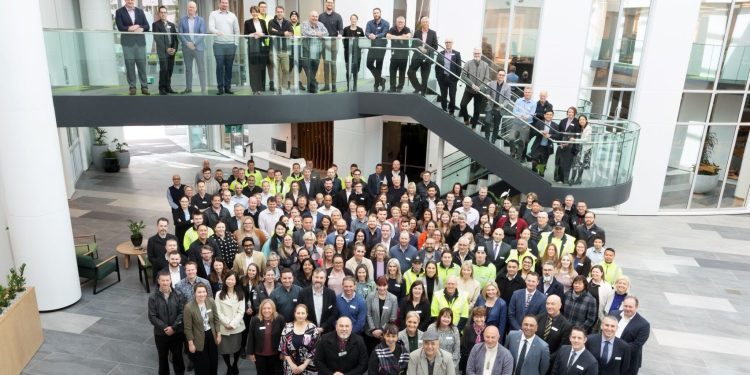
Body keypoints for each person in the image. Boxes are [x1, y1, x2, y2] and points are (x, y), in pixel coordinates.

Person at [148, 271, 186, 375]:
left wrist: (173, 328)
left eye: (167, 280)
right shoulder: (152, 297)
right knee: (162, 357)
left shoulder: (178, 294)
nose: (165, 283)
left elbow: (182, 313)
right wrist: (165, 328)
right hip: (161, 334)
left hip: (177, 332)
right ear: (158, 281)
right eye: (163, 280)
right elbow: (152, 316)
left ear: (170, 281)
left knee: (178, 356)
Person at [184, 283, 221, 375]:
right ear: (194, 293)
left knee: (213, 361)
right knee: (202, 364)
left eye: (204, 292)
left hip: (211, 335)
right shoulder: (189, 307)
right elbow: (188, 328)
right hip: (198, 337)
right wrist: (191, 343)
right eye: (199, 292)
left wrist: (218, 334)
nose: (202, 294)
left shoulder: (211, 301)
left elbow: (216, 319)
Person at [115, 0, 150, 96]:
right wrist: (130, 28)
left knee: (142, 65)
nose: (131, 1)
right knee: (129, 65)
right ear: (125, 0)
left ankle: (144, 87)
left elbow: (147, 26)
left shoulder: (140, 11)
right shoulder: (119, 12)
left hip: (140, 43)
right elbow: (120, 27)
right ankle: (132, 87)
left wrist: (140, 27)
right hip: (127, 43)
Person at [215, 271, 245, 374]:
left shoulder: (240, 294)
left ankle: (235, 364)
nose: (230, 281)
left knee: (237, 348)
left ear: (236, 281)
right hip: (224, 327)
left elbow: (241, 311)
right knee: (224, 350)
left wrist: (232, 324)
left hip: (236, 326)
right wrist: (226, 323)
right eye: (228, 279)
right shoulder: (219, 294)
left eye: (233, 279)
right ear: (225, 280)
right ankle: (228, 366)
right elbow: (217, 311)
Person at [209, 0, 240, 95]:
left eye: (226, 3)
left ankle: (227, 87)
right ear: (219, 4)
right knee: (219, 66)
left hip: (231, 45)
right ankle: (220, 88)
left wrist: (235, 44)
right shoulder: (213, 14)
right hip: (218, 45)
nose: (224, 4)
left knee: (229, 67)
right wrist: (217, 32)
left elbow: (237, 30)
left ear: (228, 4)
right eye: (223, 2)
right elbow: (211, 28)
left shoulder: (232, 15)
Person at [247, 299, 285, 375]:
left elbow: (283, 337)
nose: (266, 310)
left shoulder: (280, 319)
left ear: (273, 309)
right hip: (259, 354)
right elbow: (251, 337)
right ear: (261, 309)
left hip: (275, 354)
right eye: (264, 308)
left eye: (269, 308)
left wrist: (283, 353)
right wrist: (250, 353)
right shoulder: (255, 319)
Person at [280, 304, 320, 375]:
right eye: (298, 313)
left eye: (303, 313)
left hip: (308, 366)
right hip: (290, 367)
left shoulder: (312, 328)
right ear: (295, 314)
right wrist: (292, 365)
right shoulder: (288, 327)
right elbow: (283, 348)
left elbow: (315, 349)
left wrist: (304, 365)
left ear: (306, 314)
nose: (300, 315)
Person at [616, 296, 650, 375]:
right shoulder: (614, 314)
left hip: (629, 361)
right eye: (625, 306)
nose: (627, 309)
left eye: (630, 307)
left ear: (636, 307)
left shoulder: (644, 324)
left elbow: (637, 344)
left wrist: (616, 349)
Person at [535, 295, 572, 368]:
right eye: (547, 303)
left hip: (550, 363)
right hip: (534, 357)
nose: (549, 306)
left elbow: (562, 348)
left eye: (552, 304)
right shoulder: (538, 318)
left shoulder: (566, 325)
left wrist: (546, 358)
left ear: (560, 305)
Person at [298, 268, 338, 334]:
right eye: (316, 277)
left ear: (325, 279)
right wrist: (312, 327)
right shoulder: (303, 293)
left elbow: (334, 314)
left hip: (327, 332)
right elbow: (300, 313)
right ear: (312, 277)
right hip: (308, 331)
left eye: (321, 278)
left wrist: (323, 327)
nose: (318, 280)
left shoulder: (331, 294)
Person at [178, 1, 207, 94]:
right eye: (190, 7)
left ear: (196, 9)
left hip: (198, 48)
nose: (191, 9)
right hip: (187, 48)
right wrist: (187, 43)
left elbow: (202, 34)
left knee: (201, 68)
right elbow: (180, 33)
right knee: (188, 69)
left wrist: (194, 43)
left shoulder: (201, 20)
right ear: (187, 8)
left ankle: (203, 88)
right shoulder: (182, 20)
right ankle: (188, 88)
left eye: (193, 7)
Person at [459, 48, 490, 128]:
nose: (477, 55)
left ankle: (474, 126)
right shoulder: (468, 63)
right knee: (462, 105)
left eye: (478, 53)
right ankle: (466, 119)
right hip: (469, 89)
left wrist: (480, 87)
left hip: (480, 91)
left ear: (481, 54)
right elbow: (463, 75)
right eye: (475, 53)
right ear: (473, 54)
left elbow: (486, 79)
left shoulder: (485, 65)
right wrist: (472, 84)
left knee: (477, 110)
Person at [365, 276, 399, 350]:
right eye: (379, 285)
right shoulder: (370, 296)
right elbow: (368, 314)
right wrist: (373, 330)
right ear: (376, 285)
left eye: (384, 285)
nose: (382, 288)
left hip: (386, 334)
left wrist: (381, 330)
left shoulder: (393, 298)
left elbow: (393, 318)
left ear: (388, 285)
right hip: (371, 334)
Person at [408, 16, 438, 95]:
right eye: (423, 22)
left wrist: (427, 50)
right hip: (417, 56)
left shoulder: (433, 33)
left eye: (426, 22)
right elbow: (413, 44)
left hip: (427, 57)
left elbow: (435, 47)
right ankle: (418, 87)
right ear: (421, 23)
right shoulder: (417, 32)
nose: (424, 23)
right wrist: (419, 48)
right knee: (410, 72)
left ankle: (423, 92)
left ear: (428, 23)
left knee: (425, 77)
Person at [153, 6, 179, 95]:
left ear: (167, 13)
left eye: (165, 12)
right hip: (163, 51)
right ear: (159, 14)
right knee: (164, 69)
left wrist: (174, 49)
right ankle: (161, 88)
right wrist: (166, 48)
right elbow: (157, 39)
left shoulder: (171, 25)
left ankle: (168, 87)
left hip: (172, 51)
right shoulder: (156, 25)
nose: (163, 14)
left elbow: (175, 38)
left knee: (170, 69)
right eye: (161, 12)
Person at [318, 0, 343, 92]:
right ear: (326, 4)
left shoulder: (338, 16)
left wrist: (340, 34)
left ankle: (334, 86)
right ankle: (326, 85)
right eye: (328, 2)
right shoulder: (321, 16)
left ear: (333, 4)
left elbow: (341, 29)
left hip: (333, 42)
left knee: (333, 64)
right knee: (325, 64)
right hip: (323, 42)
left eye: (331, 3)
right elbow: (318, 27)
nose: (329, 4)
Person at [268, 5, 293, 93]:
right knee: (276, 70)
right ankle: (278, 88)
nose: (279, 13)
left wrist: (277, 32)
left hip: (284, 50)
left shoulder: (288, 23)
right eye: (278, 12)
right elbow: (271, 32)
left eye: (281, 12)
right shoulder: (271, 22)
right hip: (274, 51)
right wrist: (283, 33)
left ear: (283, 13)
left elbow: (291, 33)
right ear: (276, 13)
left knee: (286, 69)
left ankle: (284, 87)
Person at [301, 11, 329, 93]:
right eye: (313, 16)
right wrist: (316, 33)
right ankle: (315, 83)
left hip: (317, 50)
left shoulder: (320, 24)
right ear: (309, 17)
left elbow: (326, 33)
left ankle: (311, 87)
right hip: (306, 50)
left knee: (314, 68)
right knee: (307, 68)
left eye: (316, 16)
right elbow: (304, 33)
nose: (315, 18)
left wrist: (317, 34)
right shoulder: (305, 23)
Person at [244, 6, 269, 95]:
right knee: (253, 68)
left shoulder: (262, 22)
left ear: (259, 13)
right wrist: (254, 34)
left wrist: (261, 34)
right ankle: (254, 88)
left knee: (261, 67)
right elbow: (245, 35)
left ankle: (260, 88)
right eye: (253, 12)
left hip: (261, 47)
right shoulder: (247, 22)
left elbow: (266, 33)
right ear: (251, 13)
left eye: (256, 12)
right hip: (252, 47)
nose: (255, 13)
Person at [483, 68, 512, 143]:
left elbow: (507, 99)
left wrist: (503, 105)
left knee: (496, 125)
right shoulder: (491, 83)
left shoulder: (507, 87)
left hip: (499, 108)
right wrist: (487, 95)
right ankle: (487, 136)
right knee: (487, 121)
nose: (501, 76)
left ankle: (493, 139)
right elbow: (487, 92)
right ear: (497, 75)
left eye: (502, 75)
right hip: (491, 106)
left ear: (504, 76)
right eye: (500, 74)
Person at [365, 8, 390, 92]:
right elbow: (366, 32)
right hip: (372, 47)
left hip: (381, 47)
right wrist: (369, 35)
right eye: (374, 13)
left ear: (380, 13)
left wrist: (375, 36)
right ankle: (381, 80)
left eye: (377, 13)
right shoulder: (369, 23)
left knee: (379, 66)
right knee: (369, 64)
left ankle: (376, 85)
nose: (375, 14)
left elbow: (384, 33)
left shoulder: (386, 23)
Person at [554, 107, 581, 183]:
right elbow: (558, 132)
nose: (570, 113)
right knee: (558, 161)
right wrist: (559, 143)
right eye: (569, 112)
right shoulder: (563, 121)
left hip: (570, 146)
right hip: (561, 145)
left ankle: (564, 179)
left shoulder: (576, 122)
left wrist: (569, 142)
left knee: (566, 163)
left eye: (572, 112)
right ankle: (557, 178)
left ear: (574, 113)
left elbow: (577, 135)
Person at [385, 16, 411, 92]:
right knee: (392, 71)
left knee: (402, 72)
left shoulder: (407, 29)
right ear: (396, 22)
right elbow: (387, 36)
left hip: (404, 55)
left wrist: (394, 37)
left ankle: (400, 87)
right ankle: (392, 87)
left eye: (402, 22)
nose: (400, 23)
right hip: (394, 55)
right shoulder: (393, 29)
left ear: (404, 23)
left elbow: (408, 36)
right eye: (399, 22)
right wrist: (400, 37)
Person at [436, 39, 461, 115]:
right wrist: (438, 77)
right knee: (443, 95)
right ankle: (444, 109)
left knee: (452, 95)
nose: (448, 44)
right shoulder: (440, 53)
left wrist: (456, 78)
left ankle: (451, 111)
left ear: (452, 43)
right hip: (442, 78)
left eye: (449, 42)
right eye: (446, 42)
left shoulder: (456, 54)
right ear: (445, 44)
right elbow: (437, 66)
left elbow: (459, 67)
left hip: (452, 78)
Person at [529, 110, 558, 176]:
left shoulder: (555, 125)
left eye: (550, 115)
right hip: (537, 146)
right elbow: (533, 132)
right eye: (547, 114)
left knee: (543, 163)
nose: (549, 116)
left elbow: (557, 135)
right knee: (534, 160)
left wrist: (550, 135)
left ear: (552, 116)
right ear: (544, 115)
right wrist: (540, 131)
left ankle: (540, 175)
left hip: (547, 148)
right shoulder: (539, 123)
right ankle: (534, 171)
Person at [510, 86, 536, 160]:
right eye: (526, 92)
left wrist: (526, 117)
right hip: (516, 123)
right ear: (524, 92)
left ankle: (518, 157)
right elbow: (515, 111)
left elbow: (531, 114)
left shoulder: (533, 103)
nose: (527, 94)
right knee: (511, 138)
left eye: (529, 92)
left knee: (522, 142)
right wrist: (521, 115)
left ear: (531, 93)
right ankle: (512, 152)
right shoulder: (518, 100)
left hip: (526, 125)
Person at [459, 306, 487, 374]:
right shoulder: (468, 329)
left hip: (483, 363)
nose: (479, 319)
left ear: (485, 318)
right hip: (468, 362)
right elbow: (463, 347)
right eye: (476, 317)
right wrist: (471, 359)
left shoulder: (488, 330)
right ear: (473, 318)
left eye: (481, 317)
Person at [341, 14, 364, 91]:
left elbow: (362, 41)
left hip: (357, 53)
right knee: (348, 70)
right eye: (352, 19)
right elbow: (343, 39)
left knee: (355, 69)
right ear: (350, 20)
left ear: (357, 20)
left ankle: (355, 85)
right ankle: (348, 85)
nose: (353, 20)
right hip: (348, 53)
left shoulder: (360, 30)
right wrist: (345, 46)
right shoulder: (346, 29)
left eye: (355, 19)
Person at [569, 115, 591, 185]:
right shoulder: (581, 128)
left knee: (581, 165)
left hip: (585, 149)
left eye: (583, 119)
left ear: (586, 120)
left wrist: (575, 140)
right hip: (579, 148)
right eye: (580, 120)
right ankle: (573, 178)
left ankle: (578, 179)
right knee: (575, 164)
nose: (581, 121)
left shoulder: (588, 128)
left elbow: (586, 139)